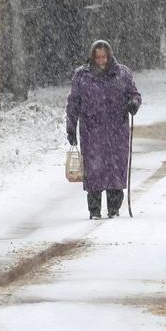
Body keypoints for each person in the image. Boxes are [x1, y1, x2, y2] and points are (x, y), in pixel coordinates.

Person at [65, 39, 142, 219]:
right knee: (94, 171)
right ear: (92, 57)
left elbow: (134, 94)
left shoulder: (122, 74)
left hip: (117, 131)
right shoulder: (82, 76)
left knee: (115, 169)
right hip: (91, 132)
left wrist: (133, 103)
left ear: (109, 56)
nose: (101, 61)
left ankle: (114, 208)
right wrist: (71, 127)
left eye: (104, 57)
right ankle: (94, 210)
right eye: (98, 57)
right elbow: (73, 103)